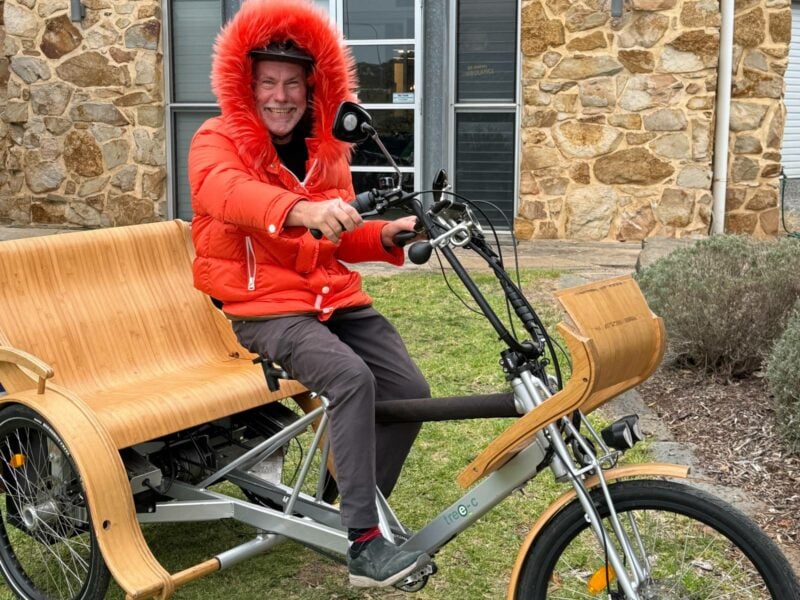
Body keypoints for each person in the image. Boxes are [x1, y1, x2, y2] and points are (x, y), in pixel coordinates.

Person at [188, 0, 431, 588]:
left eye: (292, 83)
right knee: (352, 379)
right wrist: (301, 209)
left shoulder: (326, 153)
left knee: (409, 390)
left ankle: (340, 502)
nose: (279, 95)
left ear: (311, 88)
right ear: (246, 86)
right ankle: (364, 544)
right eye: (267, 82)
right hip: (263, 308)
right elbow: (228, 195)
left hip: (333, 299)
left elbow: (338, 240)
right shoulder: (215, 141)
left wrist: (387, 236)